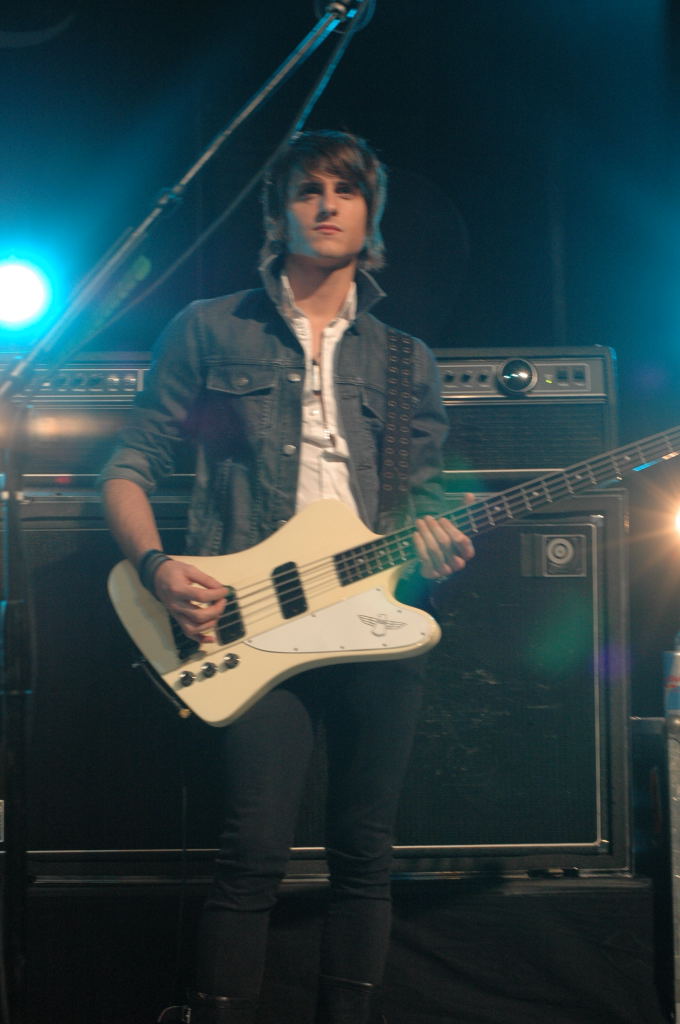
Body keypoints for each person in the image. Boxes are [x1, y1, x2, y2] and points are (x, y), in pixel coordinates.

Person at [99, 129, 474, 1024]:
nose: (328, 204)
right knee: (253, 851)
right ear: (278, 215)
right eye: (308, 190)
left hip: (375, 619)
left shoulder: (407, 359)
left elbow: (425, 501)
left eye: (346, 191)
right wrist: (156, 568)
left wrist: (442, 541)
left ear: (371, 215)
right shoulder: (208, 327)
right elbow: (129, 465)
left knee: (365, 855)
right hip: (252, 618)